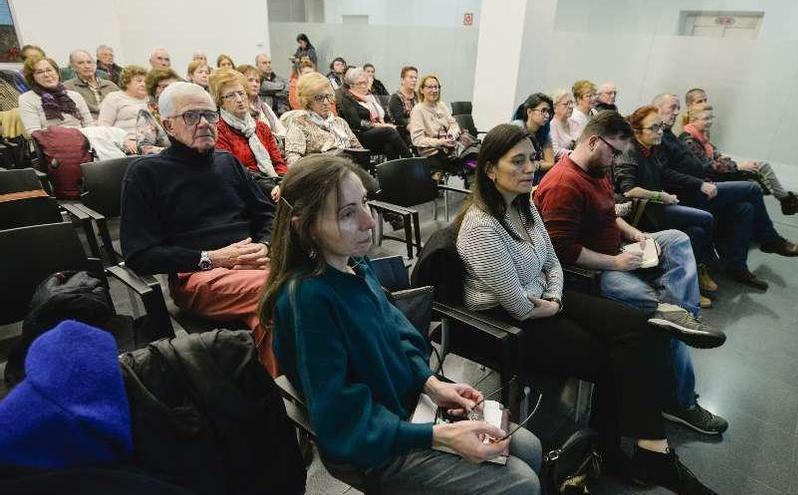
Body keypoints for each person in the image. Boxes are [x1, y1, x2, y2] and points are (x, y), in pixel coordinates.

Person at [458, 123, 720, 494]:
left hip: (544, 299)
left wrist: (554, 296)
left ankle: (649, 450)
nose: (529, 168)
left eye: (531, 158)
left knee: (640, 326)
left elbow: (552, 260)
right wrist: (550, 305)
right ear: (489, 169)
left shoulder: (524, 202)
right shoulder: (481, 226)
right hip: (506, 317)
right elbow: (516, 304)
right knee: (613, 355)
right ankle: (619, 454)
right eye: (516, 162)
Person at [259, 154, 542, 495]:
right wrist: (437, 435)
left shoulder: (356, 265)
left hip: (406, 408)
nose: (369, 221)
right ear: (303, 226)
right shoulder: (307, 299)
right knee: (521, 482)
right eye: (347, 213)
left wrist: (430, 384)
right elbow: (344, 420)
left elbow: (399, 332)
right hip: (372, 446)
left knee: (528, 448)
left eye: (364, 202)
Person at [533, 112, 730, 437]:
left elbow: (609, 215)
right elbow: (560, 251)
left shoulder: (597, 169)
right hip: (586, 274)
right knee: (658, 318)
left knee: (676, 239)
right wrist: (617, 263)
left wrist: (636, 234)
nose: (616, 159)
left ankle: (681, 314)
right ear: (594, 141)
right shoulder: (564, 183)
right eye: (613, 151)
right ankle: (680, 400)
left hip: (615, 254)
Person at [120, 81, 278, 375]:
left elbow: (266, 213)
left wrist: (266, 244)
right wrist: (213, 258)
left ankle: (277, 391)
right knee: (285, 293)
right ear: (168, 125)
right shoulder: (145, 174)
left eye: (210, 114)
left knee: (328, 280)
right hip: (201, 274)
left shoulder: (227, 162)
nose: (205, 123)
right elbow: (139, 255)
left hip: (256, 261)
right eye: (192, 116)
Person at [652, 93, 798, 290]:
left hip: (702, 184)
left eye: (677, 108)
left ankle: (737, 267)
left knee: (744, 208)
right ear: (657, 108)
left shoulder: (670, 135)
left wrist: (721, 172)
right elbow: (665, 173)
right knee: (752, 188)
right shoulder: (661, 136)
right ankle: (771, 240)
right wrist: (701, 182)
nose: (676, 112)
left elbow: (703, 164)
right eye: (672, 107)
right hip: (688, 194)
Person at [614, 105, 718, 303]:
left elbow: (662, 175)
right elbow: (629, 190)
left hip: (656, 206)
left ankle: (692, 281)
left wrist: (694, 185)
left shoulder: (649, 150)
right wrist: (660, 196)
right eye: (653, 128)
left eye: (660, 126)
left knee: (698, 230)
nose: (660, 131)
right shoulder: (629, 151)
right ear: (637, 131)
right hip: (643, 213)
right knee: (706, 218)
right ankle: (696, 278)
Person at [680, 103, 798, 215]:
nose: (710, 122)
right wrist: (738, 166)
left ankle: (787, 202)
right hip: (709, 180)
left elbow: (717, 156)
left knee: (761, 167)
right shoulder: (689, 140)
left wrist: (738, 165)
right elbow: (707, 167)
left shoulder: (701, 136)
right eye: (706, 119)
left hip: (716, 174)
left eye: (711, 118)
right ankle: (786, 204)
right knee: (755, 184)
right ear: (693, 120)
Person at [211, 69, 287, 202]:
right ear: (220, 101)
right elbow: (234, 173)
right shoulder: (219, 131)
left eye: (241, 93)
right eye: (231, 95)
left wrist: (282, 184)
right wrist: (270, 187)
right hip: (246, 193)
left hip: (276, 186)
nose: (239, 99)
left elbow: (279, 163)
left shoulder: (262, 127)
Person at [283, 72, 363, 166]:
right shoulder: (299, 124)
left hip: (347, 171)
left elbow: (360, 151)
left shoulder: (340, 122)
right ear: (307, 101)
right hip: (320, 175)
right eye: (319, 98)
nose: (326, 102)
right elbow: (293, 160)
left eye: (328, 96)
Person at [336, 67, 411, 159]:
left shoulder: (370, 98)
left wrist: (388, 124)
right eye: (360, 83)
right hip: (361, 135)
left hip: (377, 133)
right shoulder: (347, 100)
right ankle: (410, 159)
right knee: (389, 131)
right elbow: (356, 123)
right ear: (351, 85)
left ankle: (396, 171)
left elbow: (384, 115)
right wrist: (378, 126)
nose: (364, 86)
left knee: (390, 146)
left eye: (365, 82)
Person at [19, 55, 93, 137]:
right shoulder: (27, 98)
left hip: (82, 142)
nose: (46, 75)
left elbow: (89, 125)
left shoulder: (75, 96)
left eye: (49, 70)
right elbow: (33, 133)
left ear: (57, 72)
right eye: (39, 72)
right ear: (32, 78)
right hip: (51, 145)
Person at [408, 74, 462, 174]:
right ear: (421, 90)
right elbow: (417, 140)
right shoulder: (418, 110)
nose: (434, 90)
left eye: (436, 87)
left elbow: (454, 124)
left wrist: (451, 135)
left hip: (449, 150)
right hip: (431, 154)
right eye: (429, 87)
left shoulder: (441, 105)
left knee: (473, 162)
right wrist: (440, 142)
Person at [98, 65, 149, 152]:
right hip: (127, 143)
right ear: (127, 82)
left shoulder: (151, 99)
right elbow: (104, 127)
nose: (143, 84)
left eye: (146, 81)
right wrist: (123, 141)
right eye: (139, 81)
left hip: (151, 143)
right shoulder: (114, 97)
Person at [63, 49, 120, 120]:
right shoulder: (68, 87)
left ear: (95, 65)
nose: (87, 66)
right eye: (81, 63)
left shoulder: (110, 85)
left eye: (89, 62)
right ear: (73, 67)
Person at [511, 93, 555, 183]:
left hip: (533, 176)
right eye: (543, 111)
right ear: (529, 112)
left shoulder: (545, 132)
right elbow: (517, 161)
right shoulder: (517, 127)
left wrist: (536, 165)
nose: (547, 116)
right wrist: (538, 164)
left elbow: (551, 163)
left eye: (548, 112)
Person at [136, 67, 181, 154]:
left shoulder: (184, 108)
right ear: (154, 90)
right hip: (164, 161)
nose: (172, 90)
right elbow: (144, 147)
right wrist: (175, 153)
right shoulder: (147, 112)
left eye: (175, 86)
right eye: (165, 86)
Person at [238, 64, 286, 137]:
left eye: (257, 81)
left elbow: (281, 130)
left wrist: (273, 139)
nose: (255, 84)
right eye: (250, 80)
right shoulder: (238, 108)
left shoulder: (264, 107)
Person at [388, 65, 418, 145]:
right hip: (402, 131)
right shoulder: (396, 97)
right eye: (411, 77)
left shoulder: (418, 96)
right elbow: (399, 120)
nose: (414, 80)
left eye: (415, 78)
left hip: (419, 127)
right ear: (403, 79)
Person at [548, 88, 580, 159]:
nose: (571, 107)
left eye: (571, 103)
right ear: (555, 107)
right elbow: (555, 152)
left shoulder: (575, 123)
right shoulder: (551, 125)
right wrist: (575, 154)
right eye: (566, 104)